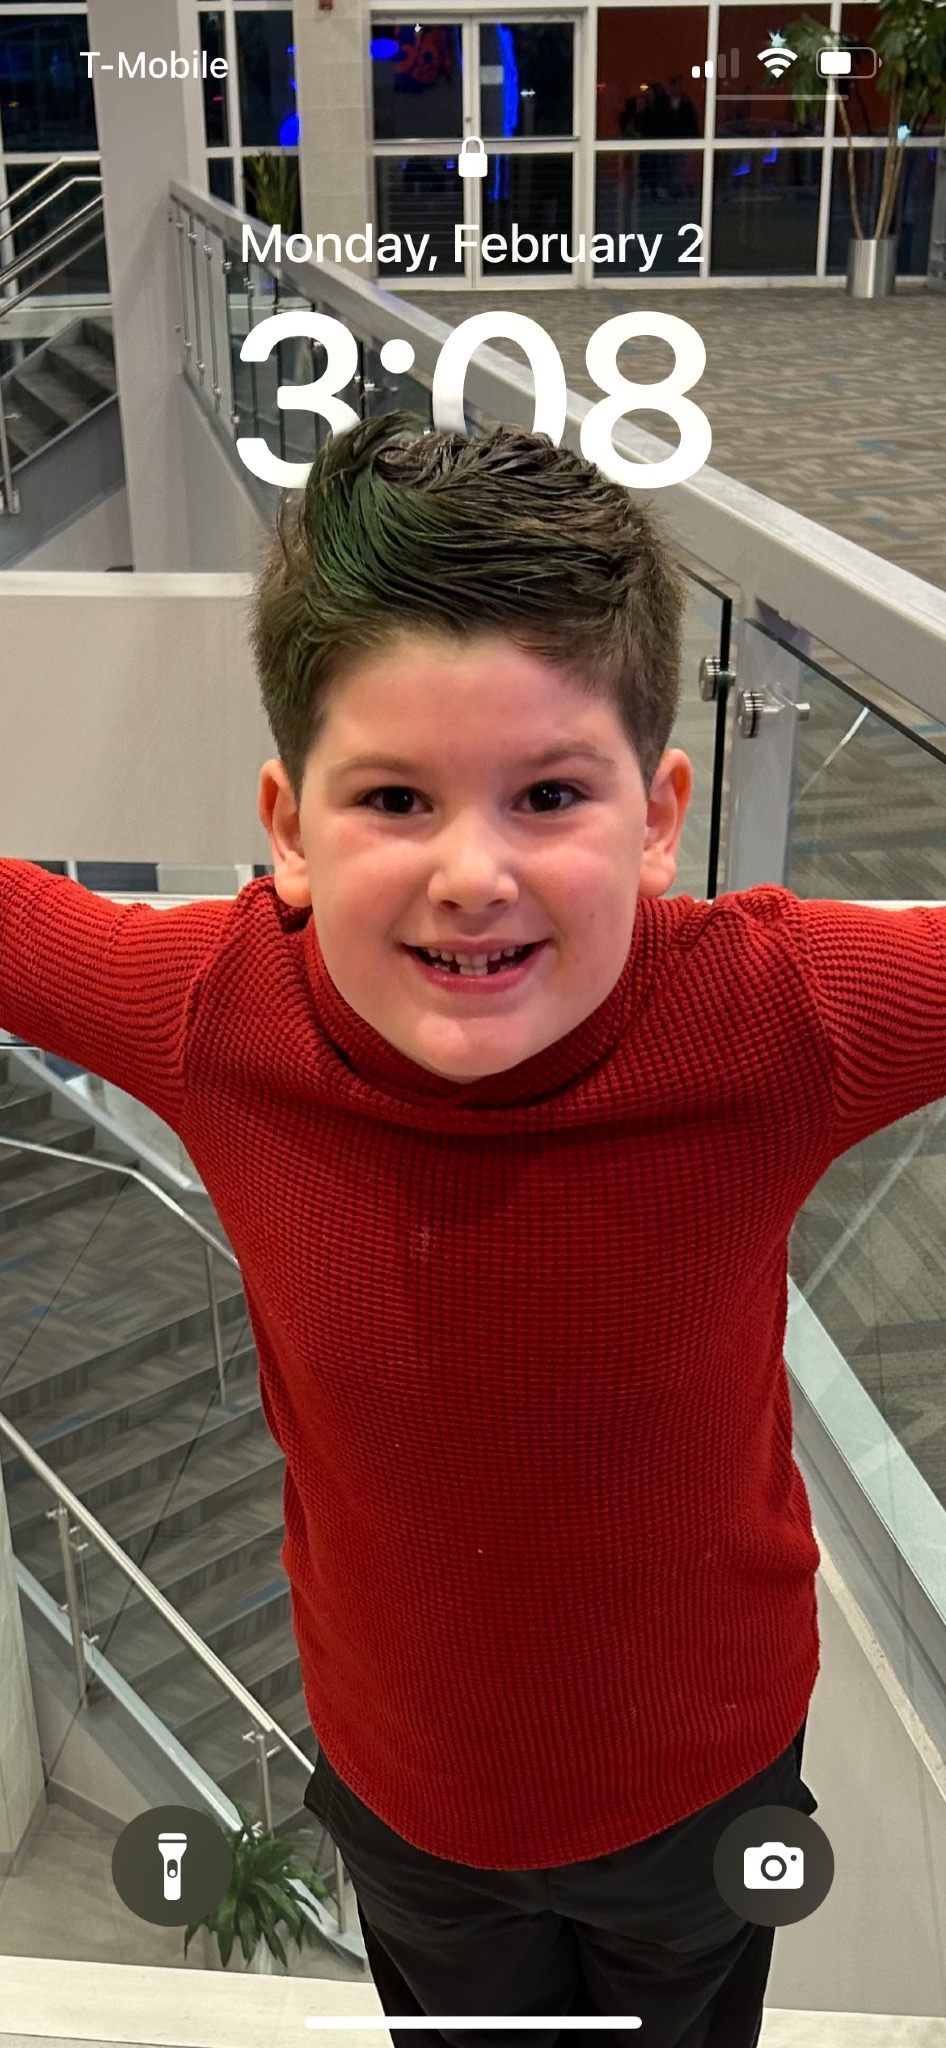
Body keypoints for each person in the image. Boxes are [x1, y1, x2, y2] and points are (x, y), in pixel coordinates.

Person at [3, 413, 946, 2045]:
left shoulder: (775, 1018)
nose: (471, 873)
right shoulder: (214, 1012)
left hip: (708, 1780)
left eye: (548, 794)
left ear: (656, 818)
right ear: (286, 830)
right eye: (393, 797)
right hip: (405, 1800)